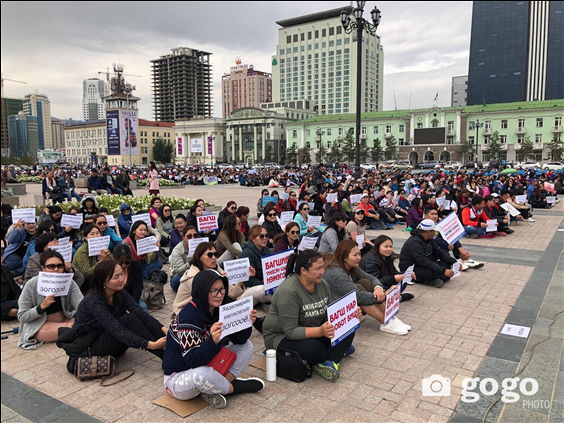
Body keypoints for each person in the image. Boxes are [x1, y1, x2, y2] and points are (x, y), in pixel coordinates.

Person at [163, 269, 264, 408]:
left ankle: (218, 387)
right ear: (202, 292)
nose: (219, 295)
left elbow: (239, 340)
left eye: (222, 289)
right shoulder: (188, 317)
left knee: (247, 346)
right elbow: (192, 361)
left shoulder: (218, 308)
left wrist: (245, 324)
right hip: (179, 377)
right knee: (203, 374)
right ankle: (233, 388)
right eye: (213, 291)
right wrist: (213, 341)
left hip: (207, 363)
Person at [263, 250, 360, 382]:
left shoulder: (322, 285)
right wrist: (320, 331)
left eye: (322, 267)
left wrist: (350, 314)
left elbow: (328, 316)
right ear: (303, 270)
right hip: (280, 335)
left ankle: (329, 359)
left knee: (348, 328)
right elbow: (290, 331)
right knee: (315, 350)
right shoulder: (289, 291)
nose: (322, 272)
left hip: (310, 328)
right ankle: (334, 354)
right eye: (318, 268)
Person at [65, 259, 166, 372]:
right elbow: (118, 331)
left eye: (122, 274)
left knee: (136, 313)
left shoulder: (118, 292)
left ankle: (169, 347)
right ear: (103, 282)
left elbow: (137, 310)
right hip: (89, 348)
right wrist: (151, 345)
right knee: (128, 319)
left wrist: (163, 328)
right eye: (116, 277)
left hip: (108, 339)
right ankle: (166, 357)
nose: (121, 279)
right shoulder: (94, 302)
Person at [324, 240, 411, 336]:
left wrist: (378, 288)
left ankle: (389, 317)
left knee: (365, 282)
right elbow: (359, 296)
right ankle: (385, 321)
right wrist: (384, 296)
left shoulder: (352, 266)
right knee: (359, 292)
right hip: (331, 310)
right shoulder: (336, 272)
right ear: (344, 257)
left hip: (347, 300)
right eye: (355, 255)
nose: (359, 258)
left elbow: (372, 278)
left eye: (359, 254)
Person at [18, 251, 83, 349]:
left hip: (65, 318)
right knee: (74, 329)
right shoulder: (31, 284)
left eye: (60, 266)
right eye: (51, 266)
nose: (56, 269)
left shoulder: (68, 282)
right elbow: (22, 316)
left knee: (87, 324)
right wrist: (41, 307)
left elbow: (81, 305)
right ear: (43, 268)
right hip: (40, 324)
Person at [172, 242, 226, 318]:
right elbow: (207, 300)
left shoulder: (215, 269)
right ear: (200, 257)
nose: (214, 257)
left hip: (205, 308)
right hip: (184, 313)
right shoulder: (193, 278)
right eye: (210, 255)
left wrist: (240, 279)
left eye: (216, 254)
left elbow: (232, 292)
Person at [399, 219, 457, 288]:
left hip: (423, 264)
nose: (435, 233)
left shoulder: (429, 239)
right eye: (434, 231)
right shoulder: (415, 242)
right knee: (430, 272)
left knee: (446, 263)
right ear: (428, 232)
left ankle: (438, 277)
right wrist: (443, 271)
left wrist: (454, 262)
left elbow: (439, 253)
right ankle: (433, 279)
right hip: (412, 269)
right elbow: (423, 261)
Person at [360, 235, 415, 302]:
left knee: (403, 281)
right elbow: (374, 280)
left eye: (390, 247)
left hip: (384, 281)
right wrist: (393, 278)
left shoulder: (389, 257)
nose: (389, 249)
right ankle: (395, 297)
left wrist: (405, 275)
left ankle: (392, 297)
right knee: (388, 288)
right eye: (386, 247)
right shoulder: (371, 260)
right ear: (378, 247)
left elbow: (394, 271)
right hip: (372, 286)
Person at [237, 225, 271, 307]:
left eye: (267, 235)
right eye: (261, 236)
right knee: (263, 290)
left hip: (264, 284)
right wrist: (266, 285)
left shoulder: (266, 250)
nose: (265, 238)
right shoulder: (246, 254)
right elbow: (248, 281)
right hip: (251, 288)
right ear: (252, 238)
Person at [72, 224, 113, 293]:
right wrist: (101, 261)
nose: (96, 236)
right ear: (86, 238)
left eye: (97, 233)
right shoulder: (82, 251)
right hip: (86, 282)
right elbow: (86, 273)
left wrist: (107, 257)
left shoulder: (103, 247)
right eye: (92, 234)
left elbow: (113, 262)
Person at [113, 244, 146, 312]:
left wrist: (132, 306)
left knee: (143, 310)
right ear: (114, 259)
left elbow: (137, 288)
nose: (124, 265)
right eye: (120, 263)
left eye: (127, 262)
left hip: (132, 299)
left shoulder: (136, 266)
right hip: (114, 300)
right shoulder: (110, 268)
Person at [170, 226, 199, 292]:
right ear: (183, 237)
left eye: (195, 235)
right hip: (183, 275)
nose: (192, 238)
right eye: (189, 236)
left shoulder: (201, 245)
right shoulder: (177, 250)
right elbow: (178, 271)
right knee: (176, 281)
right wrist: (191, 262)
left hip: (198, 274)